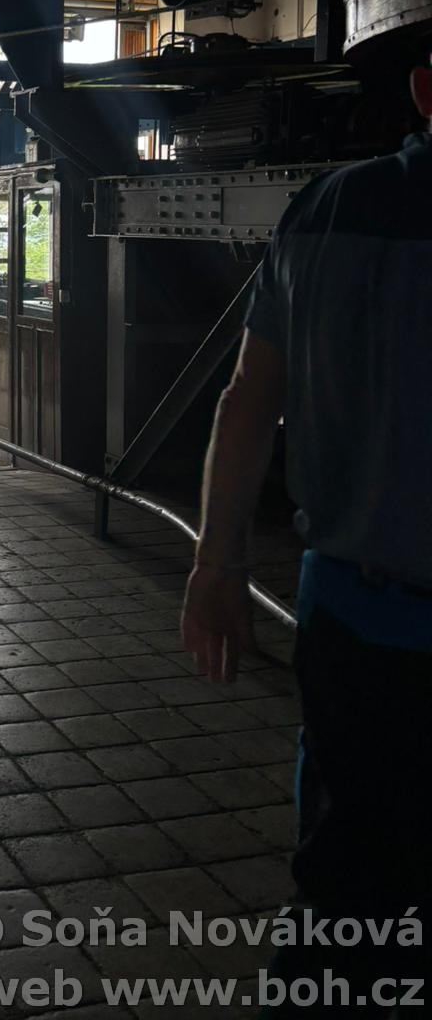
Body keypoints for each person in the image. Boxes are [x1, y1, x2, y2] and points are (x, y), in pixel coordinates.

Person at [180, 52, 432, 1008]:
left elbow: (249, 398)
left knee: (344, 881)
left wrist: (217, 566)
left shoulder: (324, 211)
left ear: (424, 92)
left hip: (354, 615)